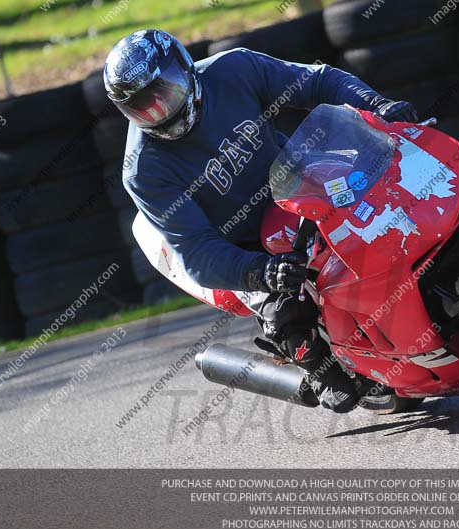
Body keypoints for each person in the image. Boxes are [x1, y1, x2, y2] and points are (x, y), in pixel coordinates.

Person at [104, 30, 418, 413]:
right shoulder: (144, 170)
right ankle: (319, 366)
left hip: (300, 184)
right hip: (242, 246)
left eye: (164, 91)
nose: (159, 110)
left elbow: (317, 81)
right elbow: (198, 253)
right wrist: (261, 273)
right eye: (143, 107)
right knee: (293, 321)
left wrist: (376, 105)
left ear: (185, 69)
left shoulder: (233, 69)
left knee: (386, 196)